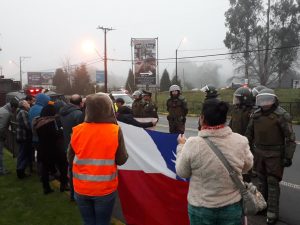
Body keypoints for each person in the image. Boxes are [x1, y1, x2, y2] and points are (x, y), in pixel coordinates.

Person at [176, 98, 253, 225]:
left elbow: (182, 172)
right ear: (225, 119)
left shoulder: (192, 144)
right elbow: (247, 167)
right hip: (232, 207)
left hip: (201, 208)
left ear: (202, 118)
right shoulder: (241, 141)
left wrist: (181, 147)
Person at [68, 93, 128, 225]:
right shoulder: (115, 130)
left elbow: (70, 158)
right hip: (104, 189)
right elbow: (122, 159)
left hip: (81, 188)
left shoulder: (77, 130)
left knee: (88, 222)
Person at [245, 88, 296, 225]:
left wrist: (288, 156)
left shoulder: (281, 115)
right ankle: (262, 206)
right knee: (261, 182)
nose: (265, 102)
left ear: (274, 100)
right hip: (259, 153)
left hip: (275, 155)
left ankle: (272, 213)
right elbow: (249, 134)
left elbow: (290, 138)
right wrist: (245, 150)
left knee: (273, 183)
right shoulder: (255, 115)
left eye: (268, 99)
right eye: (263, 100)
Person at [33, 104, 68, 194]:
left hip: (43, 149)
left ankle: (46, 188)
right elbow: (54, 136)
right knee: (63, 164)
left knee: (45, 169)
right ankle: (63, 184)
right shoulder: (49, 122)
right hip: (53, 149)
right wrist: (60, 131)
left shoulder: (38, 121)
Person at [59, 94, 83, 201]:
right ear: (80, 103)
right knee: (77, 173)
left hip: (66, 144)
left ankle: (73, 194)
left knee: (71, 171)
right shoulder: (78, 114)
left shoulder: (63, 112)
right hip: (76, 147)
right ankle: (76, 195)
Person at [0, 98, 19, 175]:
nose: (15, 111)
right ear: (13, 107)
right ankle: (1, 170)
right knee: (0, 154)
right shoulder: (6, 113)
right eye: (15, 109)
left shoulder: (2, 109)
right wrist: (2, 137)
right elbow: (1, 128)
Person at [16, 100, 32, 179]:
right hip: (23, 137)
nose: (28, 104)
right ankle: (20, 171)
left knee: (22, 154)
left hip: (21, 136)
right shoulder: (23, 112)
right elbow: (27, 126)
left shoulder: (21, 111)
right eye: (27, 103)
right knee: (23, 154)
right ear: (23, 105)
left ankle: (20, 170)